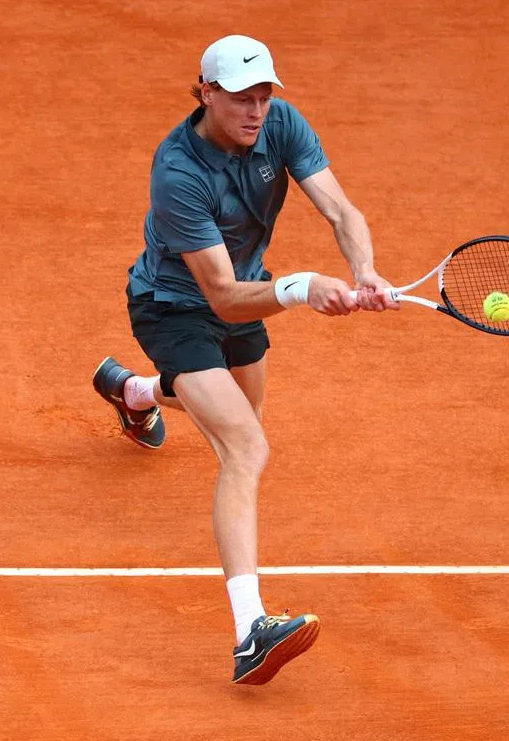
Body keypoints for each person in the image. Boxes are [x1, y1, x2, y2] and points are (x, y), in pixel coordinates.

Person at [93, 34, 397, 686]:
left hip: (247, 292)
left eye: (263, 96)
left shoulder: (280, 123)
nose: (255, 111)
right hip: (177, 309)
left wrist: (363, 269)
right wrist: (303, 287)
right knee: (245, 447)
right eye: (239, 99)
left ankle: (137, 395)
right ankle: (249, 632)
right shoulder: (179, 171)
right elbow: (225, 299)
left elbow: (341, 208)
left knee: (240, 412)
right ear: (205, 92)